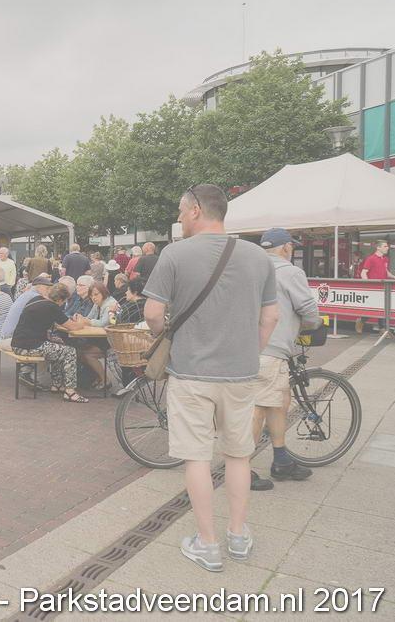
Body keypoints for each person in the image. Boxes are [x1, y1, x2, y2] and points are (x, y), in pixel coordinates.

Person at [143, 184, 279, 573]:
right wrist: (250, 350)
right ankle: (238, 535)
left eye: (181, 211)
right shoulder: (258, 256)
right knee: (238, 455)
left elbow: (152, 314)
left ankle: (208, 543)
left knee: (197, 457)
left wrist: (165, 335)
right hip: (241, 373)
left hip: (191, 373)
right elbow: (271, 316)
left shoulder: (175, 254)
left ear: (196, 210)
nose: (179, 218)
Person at [249, 228, 323, 491]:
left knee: (278, 403)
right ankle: (242, 469)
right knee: (259, 407)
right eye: (292, 246)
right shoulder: (290, 272)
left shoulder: (251, 269)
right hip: (270, 349)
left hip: (249, 347)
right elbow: (308, 310)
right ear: (286, 248)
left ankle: (281, 460)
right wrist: (312, 324)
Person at [11, 282, 88, 401]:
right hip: (29, 346)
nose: (63, 304)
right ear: (60, 299)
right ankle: (70, 391)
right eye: (64, 301)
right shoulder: (52, 307)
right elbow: (73, 327)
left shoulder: (37, 299)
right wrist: (82, 322)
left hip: (18, 344)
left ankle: (57, 385)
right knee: (70, 351)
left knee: (58, 346)